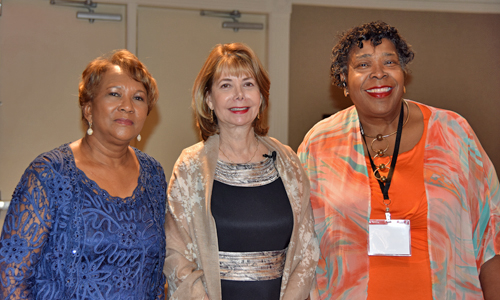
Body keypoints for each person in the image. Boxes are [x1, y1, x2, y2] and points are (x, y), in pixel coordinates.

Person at [298, 21, 500, 300]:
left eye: (389, 62)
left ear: (404, 76)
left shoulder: (453, 132)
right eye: (364, 65)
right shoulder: (320, 144)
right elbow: (301, 247)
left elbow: (492, 237)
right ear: (345, 81)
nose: (379, 74)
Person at [0, 50, 167, 299]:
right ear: (88, 108)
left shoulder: (153, 175)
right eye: (114, 94)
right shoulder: (50, 173)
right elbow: (11, 278)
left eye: (139, 98)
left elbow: (154, 277)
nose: (127, 106)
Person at [165, 43, 319, 300]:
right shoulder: (190, 167)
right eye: (226, 85)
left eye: (248, 84)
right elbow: (175, 254)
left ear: (261, 96)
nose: (239, 95)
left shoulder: (289, 163)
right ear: (209, 99)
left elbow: (306, 252)